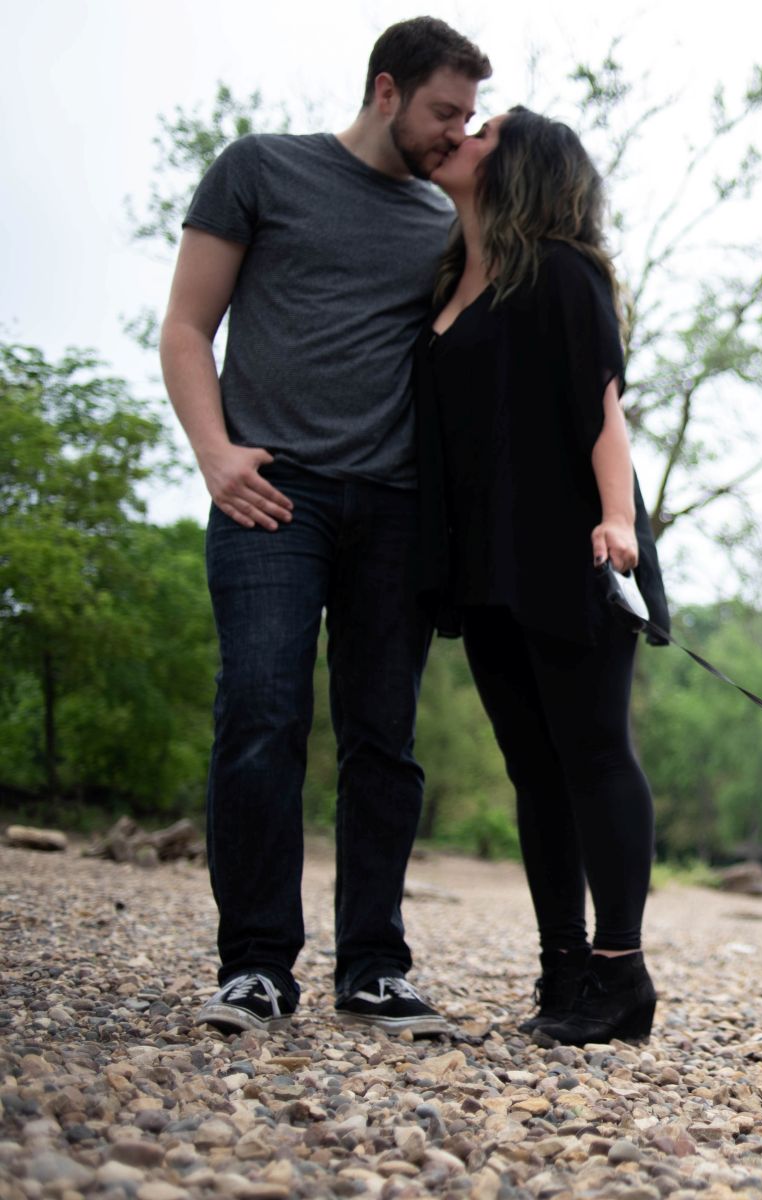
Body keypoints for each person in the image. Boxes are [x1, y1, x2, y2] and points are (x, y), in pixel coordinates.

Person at [160, 17, 491, 1036]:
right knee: (260, 713)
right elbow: (184, 326)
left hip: (395, 509)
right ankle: (256, 965)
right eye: (444, 112)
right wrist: (215, 454)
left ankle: (374, 968)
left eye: (469, 118)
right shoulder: (259, 170)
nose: (455, 133)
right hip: (273, 493)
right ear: (386, 89)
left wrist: (473, 204)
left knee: (382, 742)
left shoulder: (446, 212)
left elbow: (474, 328)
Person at [413, 107, 671, 1046]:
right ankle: (563, 968)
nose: (464, 136)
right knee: (533, 770)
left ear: (520, 165)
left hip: (576, 547)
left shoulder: (561, 272)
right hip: (484, 561)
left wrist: (615, 519)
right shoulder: (449, 277)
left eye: (484, 130)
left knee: (595, 754)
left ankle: (621, 972)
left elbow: (604, 408)